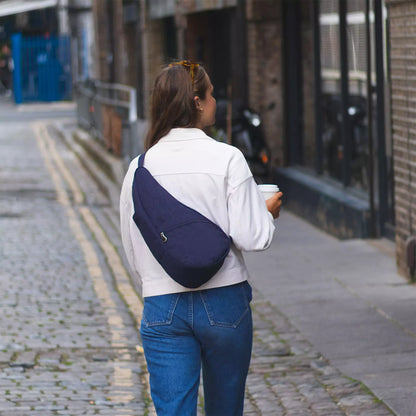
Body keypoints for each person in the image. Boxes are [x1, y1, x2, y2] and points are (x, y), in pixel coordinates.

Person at [119, 60, 282, 416]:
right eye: (210, 95)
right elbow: (252, 237)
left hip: (163, 304)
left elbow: (132, 247)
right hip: (224, 299)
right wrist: (266, 212)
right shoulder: (228, 158)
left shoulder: (139, 167)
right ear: (196, 101)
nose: (214, 102)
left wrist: (159, 283)